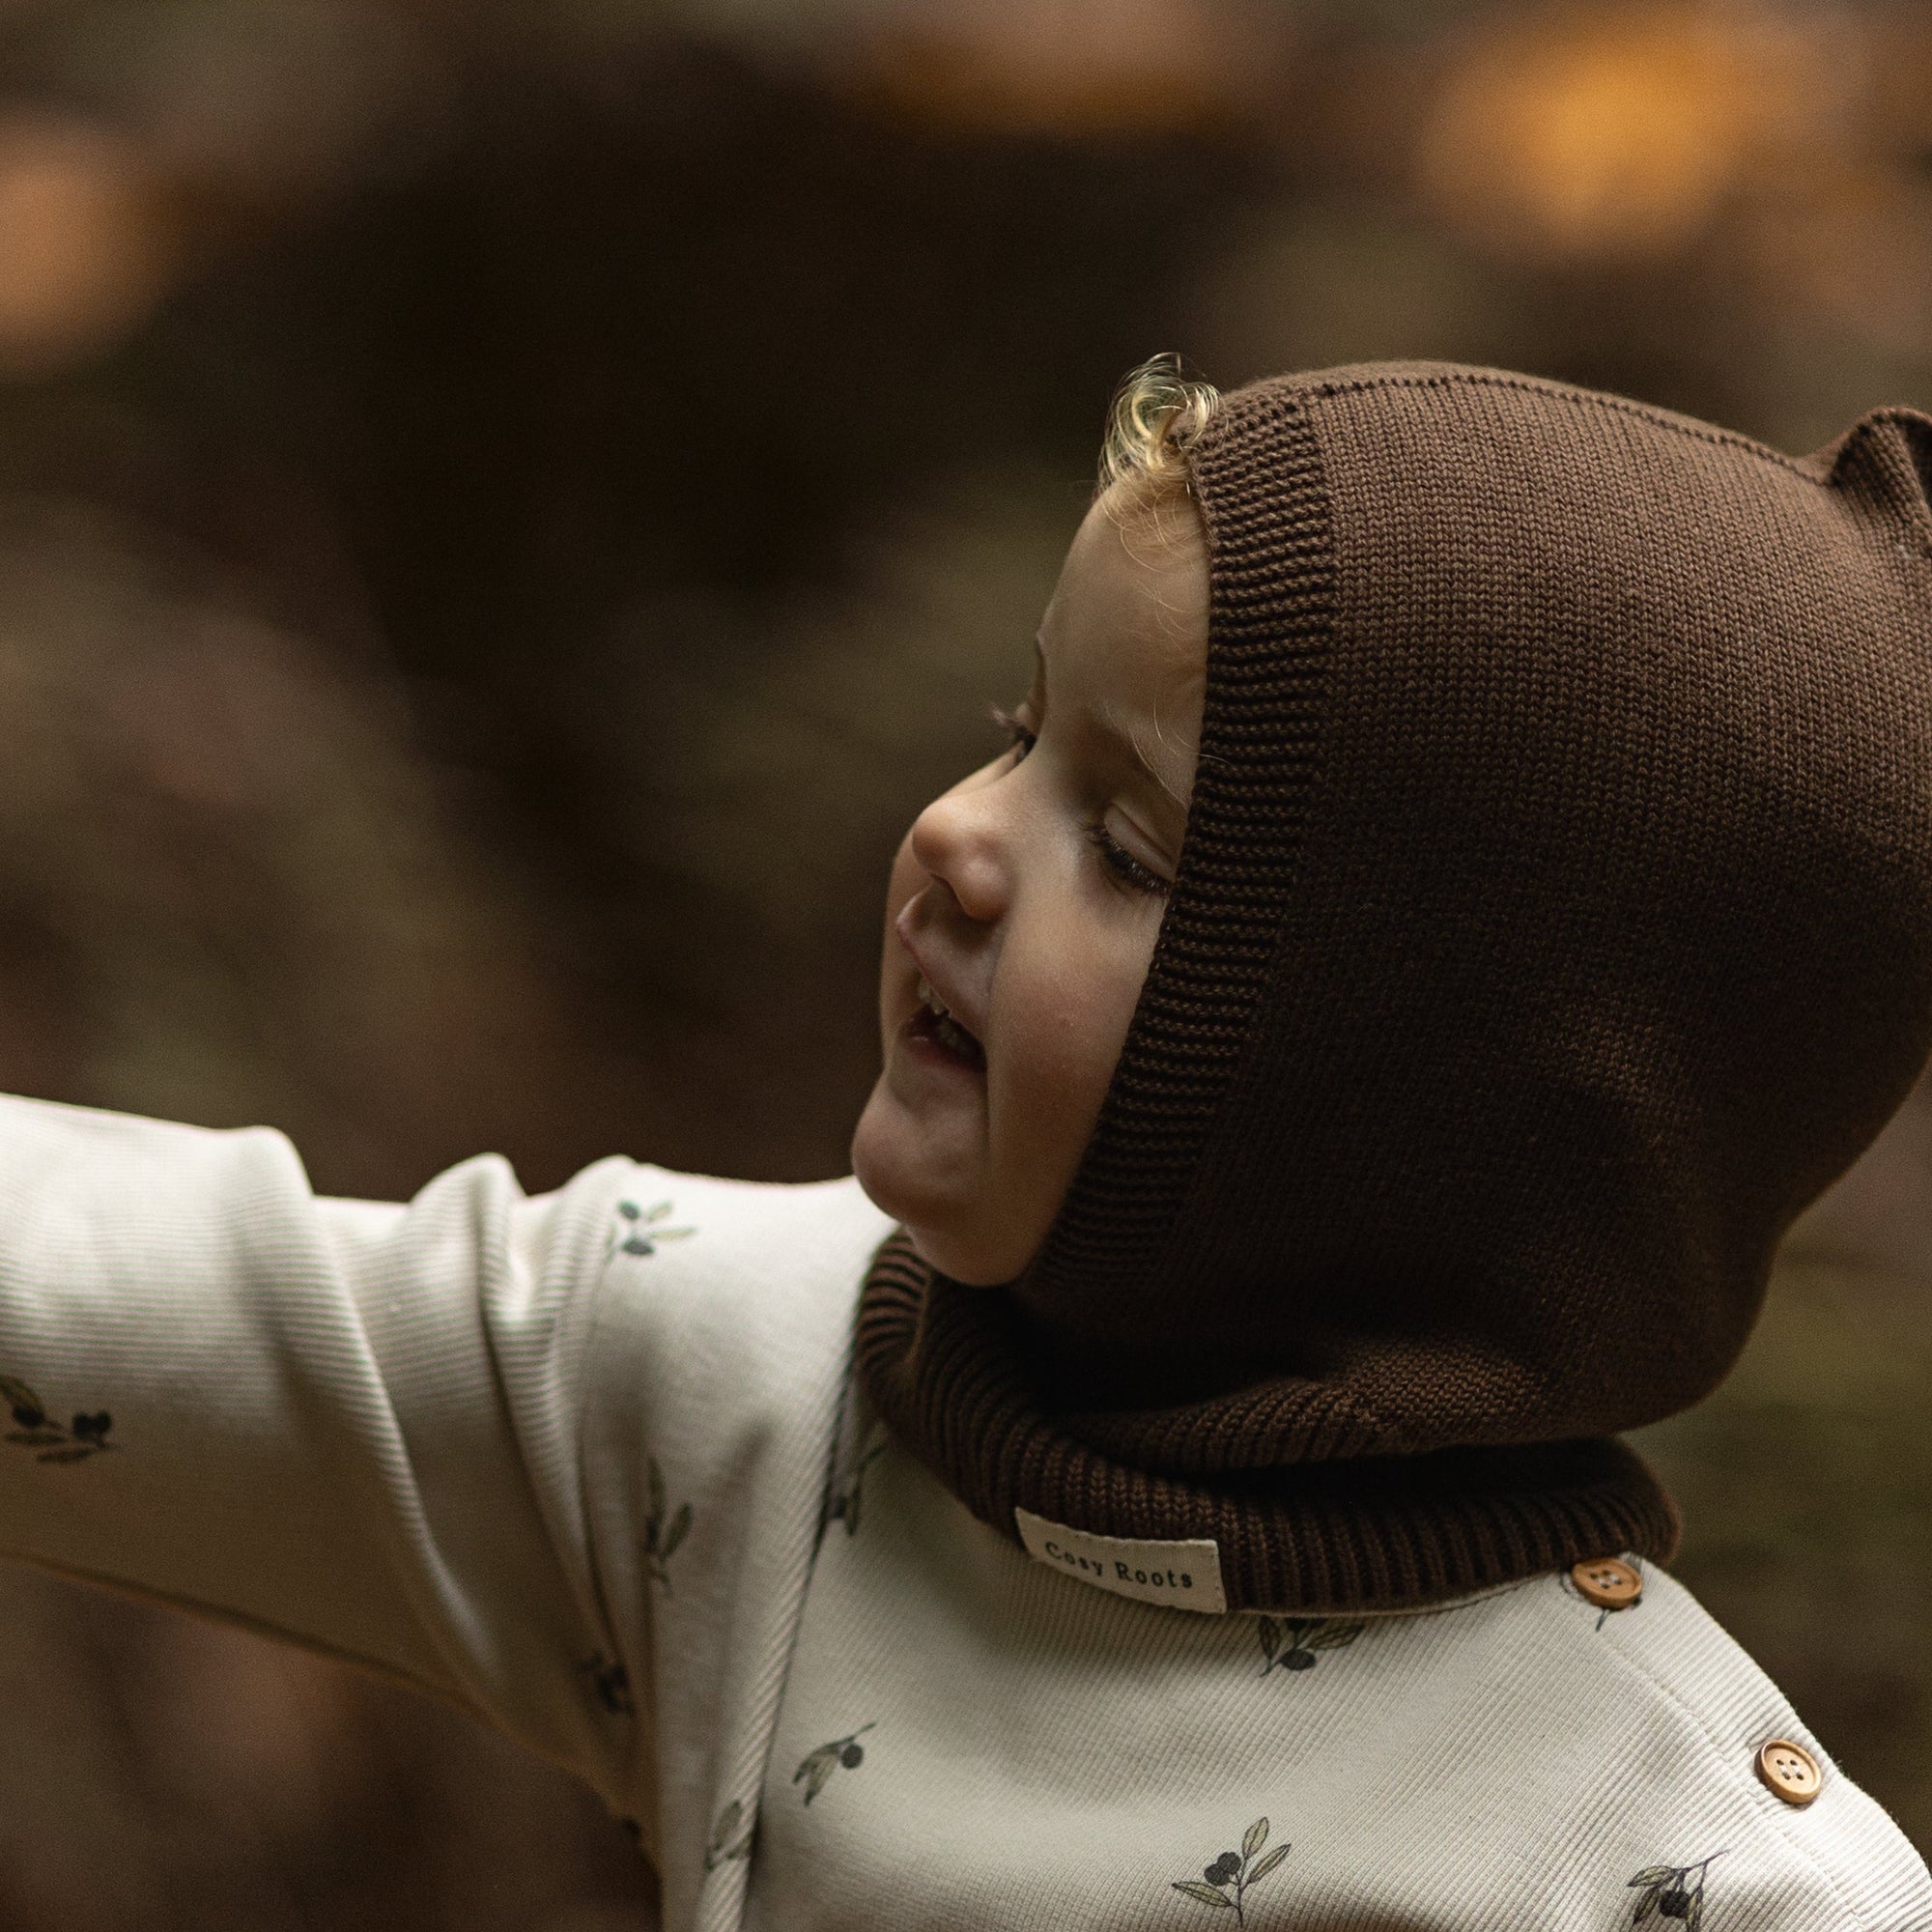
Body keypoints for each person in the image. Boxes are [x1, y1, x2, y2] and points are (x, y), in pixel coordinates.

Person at [2, 357, 1930, 1932]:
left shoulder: (1675, 1876)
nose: (955, 833)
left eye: (1131, 842)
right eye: (1021, 726)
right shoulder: (729, 1386)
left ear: (1413, 1110)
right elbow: (121, 1301)